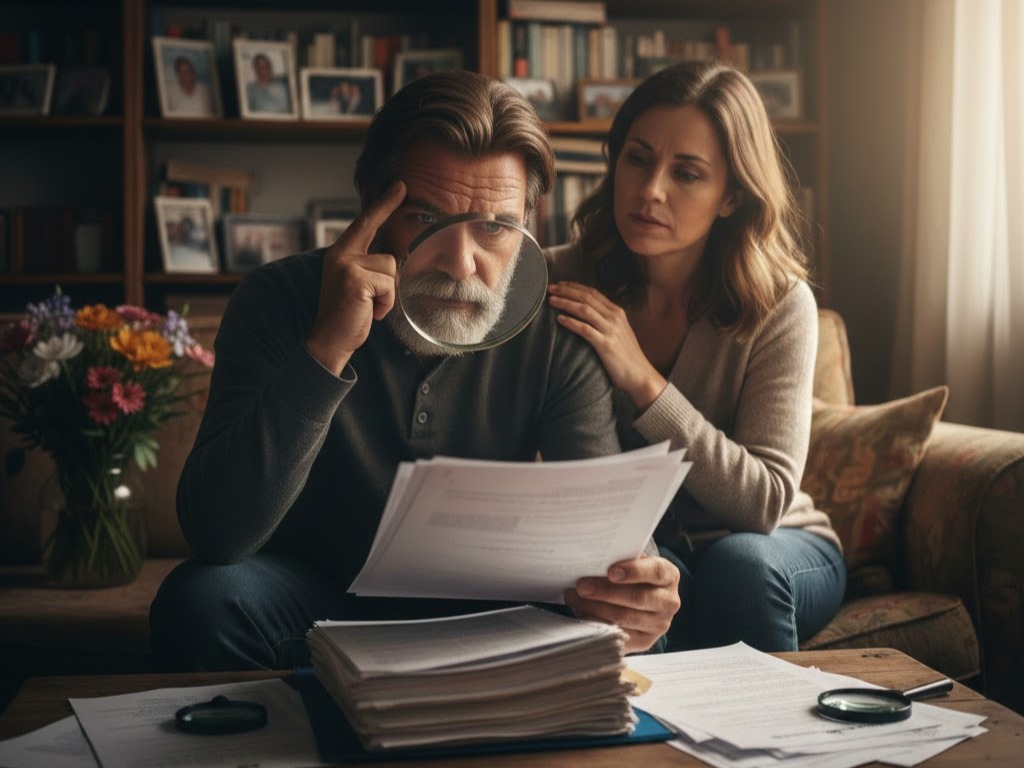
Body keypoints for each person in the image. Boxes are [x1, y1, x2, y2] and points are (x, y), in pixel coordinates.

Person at [150, 69, 681, 672]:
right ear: (371, 205)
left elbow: (605, 529)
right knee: (200, 601)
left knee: (635, 623)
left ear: (529, 221)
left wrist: (636, 592)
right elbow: (217, 535)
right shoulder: (278, 299)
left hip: (492, 608)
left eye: (495, 228)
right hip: (318, 600)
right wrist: (326, 349)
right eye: (426, 221)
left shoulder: (559, 329)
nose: (461, 265)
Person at [546, 60, 846, 653]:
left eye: (686, 173)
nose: (650, 190)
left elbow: (763, 503)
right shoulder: (560, 276)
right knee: (629, 579)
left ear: (732, 195)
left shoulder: (781, 304)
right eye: (638, 159)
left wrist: (644, 381)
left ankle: (767, 719)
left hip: (776, 543)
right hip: (642, 541)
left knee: (742, 568)